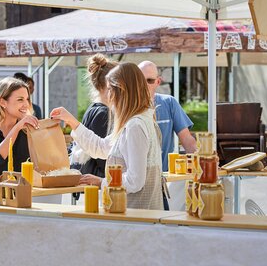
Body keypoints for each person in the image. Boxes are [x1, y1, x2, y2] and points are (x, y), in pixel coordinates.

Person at [51, 63, 163, 210]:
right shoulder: (136, 121)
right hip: (134, 215)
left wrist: (101, 182)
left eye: (110, 89)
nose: (108, 96)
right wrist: (72, 121)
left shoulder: (135, 125)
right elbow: (102, 147)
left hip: (136, 215)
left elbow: (135, 180)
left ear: (122, 91)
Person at [138, 61, 197, 172]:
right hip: (135, 179)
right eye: (140, 80)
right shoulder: (127, 107)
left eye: (149, 80)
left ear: (158, 81)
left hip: (164, 178)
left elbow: (187, 140)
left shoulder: (169, 103)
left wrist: (204, 162)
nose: (144, 85)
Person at [71, 53, 118, 178]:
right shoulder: (103, 114)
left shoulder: (94, 109)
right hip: (98, 184)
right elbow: (102, 157)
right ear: (110, 85)